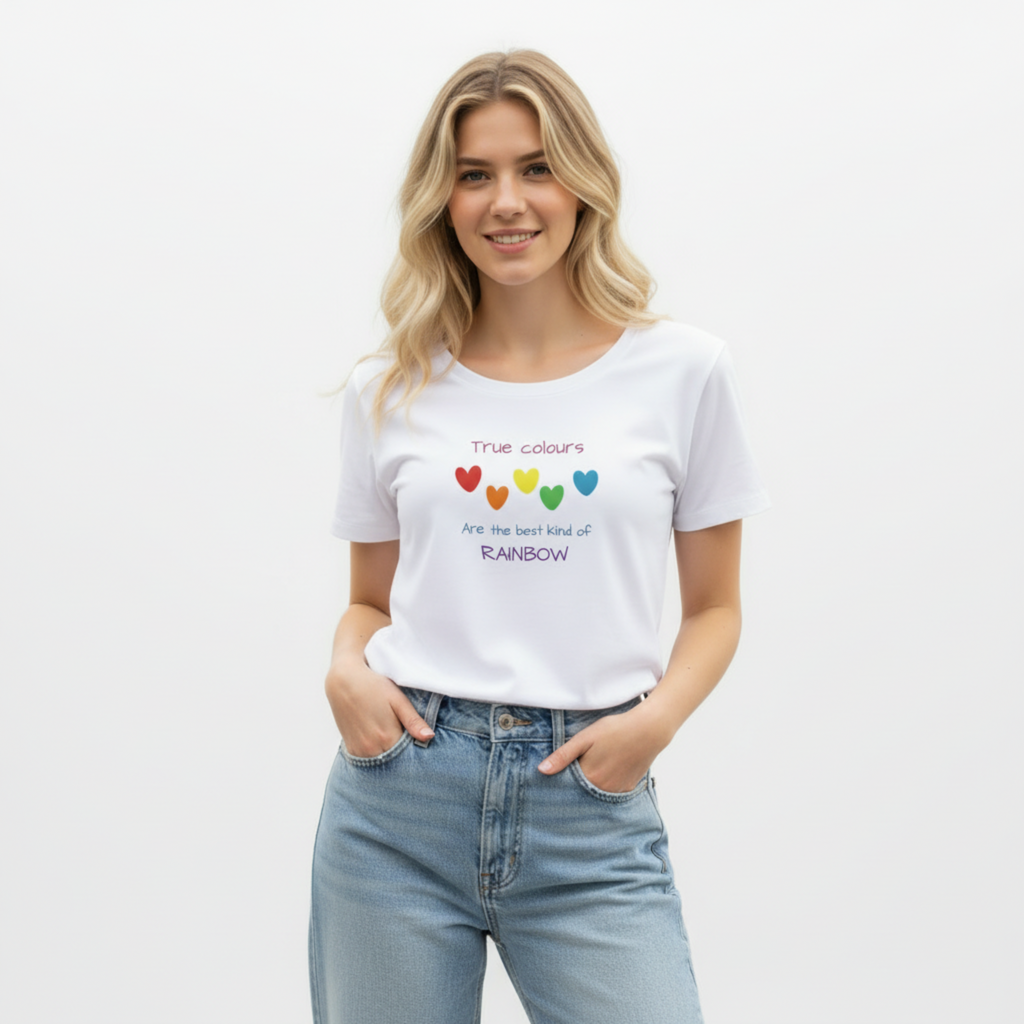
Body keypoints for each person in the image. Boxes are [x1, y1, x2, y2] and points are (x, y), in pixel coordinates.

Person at [309, 50, 770, 1024]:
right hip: (398, 796)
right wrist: (345, 667)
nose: (505, 202)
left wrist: (653, 724)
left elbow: (717, 608)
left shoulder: (682, 372)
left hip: (588, 810)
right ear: (442, 199)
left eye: (534, 167)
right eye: (474, 174)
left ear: (582, 183)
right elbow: (368, 602)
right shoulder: (388, 387)